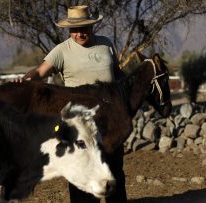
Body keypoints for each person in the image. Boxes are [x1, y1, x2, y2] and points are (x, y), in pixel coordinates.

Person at [15, 5, 127, 203]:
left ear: (92, 27)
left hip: (109, 123)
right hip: (80, 125)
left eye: (83, 28)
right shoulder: (62, 50)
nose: (79, 34)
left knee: (114, 168)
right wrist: (24, 82)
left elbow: (118, 76)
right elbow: (39, 73)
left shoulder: (106, 45)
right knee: (83, 171)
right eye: (74, 30)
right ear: (69, 30)